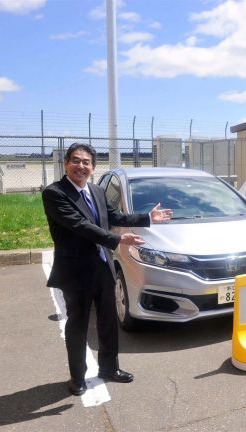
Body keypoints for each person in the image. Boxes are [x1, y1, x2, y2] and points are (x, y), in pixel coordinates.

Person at [42, 143, 172, 396]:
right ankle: (77, 377)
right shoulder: (55, 193)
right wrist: (117, 240)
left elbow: (114, 216)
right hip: (75, 271)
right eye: (76, 161)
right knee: (78, 325)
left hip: (102, 266)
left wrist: (147, 218)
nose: (82, 166)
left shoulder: (96, 191)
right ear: (66, 163)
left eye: (86, 162)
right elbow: (79, 225)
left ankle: (109, 368)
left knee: (108, 321)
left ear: (93, 167)